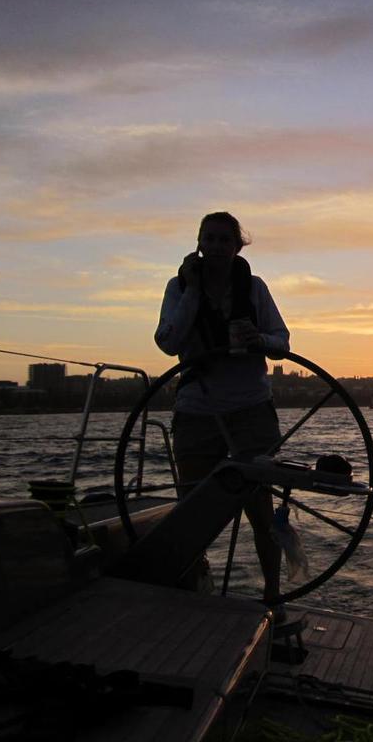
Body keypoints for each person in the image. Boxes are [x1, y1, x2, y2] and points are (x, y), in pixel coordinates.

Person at [154, 211, 290, 607]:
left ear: (237, 247)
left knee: (261, 513)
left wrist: (257, 338)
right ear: (199, 243)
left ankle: (272, 596)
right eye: (208, 239)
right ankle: (192, 590)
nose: (215, 247)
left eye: (223, 241)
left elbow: (282, 342)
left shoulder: (255, 289)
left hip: (250, 409)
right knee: (191, 509)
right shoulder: (178, 288)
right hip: (197, 409)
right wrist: (193, 293)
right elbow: (167, 341)